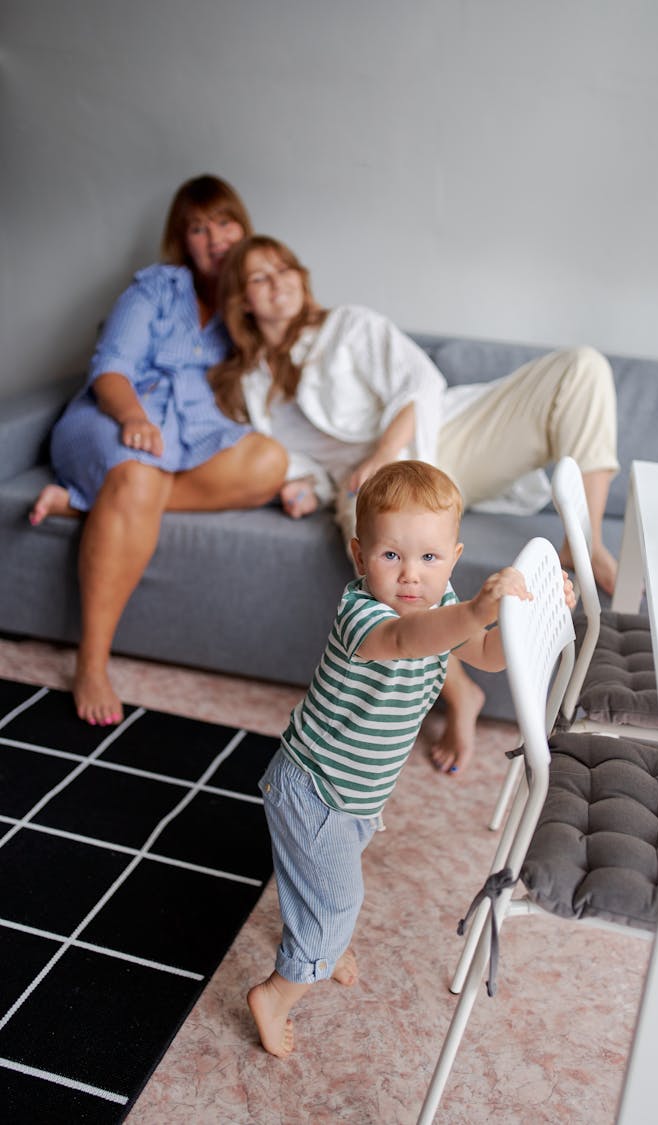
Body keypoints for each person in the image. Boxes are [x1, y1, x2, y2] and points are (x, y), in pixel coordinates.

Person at [209, 234, 620, 775]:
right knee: (396, 570)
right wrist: (302, 487)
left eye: (285, 269)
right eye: (260, 277)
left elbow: (418, 382)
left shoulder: (349, 326)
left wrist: (384, 453)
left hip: (440, 438)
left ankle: (584, 539)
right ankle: (461, 695)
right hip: (364, 487)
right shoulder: (250, 384)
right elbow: (294, 461)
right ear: (241, 300)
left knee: (581, 366)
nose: (279, 282)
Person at [247, 460, 576, 1058]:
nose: (410, 577)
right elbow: (408, 640)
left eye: (428, 559)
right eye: (390, 556)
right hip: (315, 789)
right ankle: (278, 991)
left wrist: (526, 611)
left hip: (356, 794)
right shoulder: (362, 616)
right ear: (358, 556)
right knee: (338, 898)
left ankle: (325, 940)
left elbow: (488, 655)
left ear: (453, 557)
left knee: (330, 881)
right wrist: (474, 609)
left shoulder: (443, 602)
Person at [29, 176, 287, 727]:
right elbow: (111, 370)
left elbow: (280, 373)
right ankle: (92, 662)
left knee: (270, 463)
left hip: (194, 434)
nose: (214, 237)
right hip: (115, 415)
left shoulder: (249, 302)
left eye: (224, 222)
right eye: (198, 227)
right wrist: (133, 419)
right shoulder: (154, 289)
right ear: (182, 239)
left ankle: (82, 506)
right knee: (140, 472)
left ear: (244, 227)